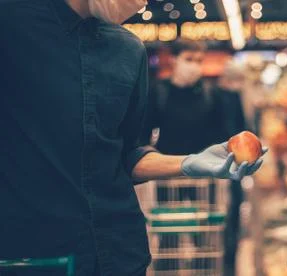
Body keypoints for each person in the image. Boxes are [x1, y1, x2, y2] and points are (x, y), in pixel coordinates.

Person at [0, 1, 264, 275]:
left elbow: (126, 152)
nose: (141, 3)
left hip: (120, 255)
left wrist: (188, 163)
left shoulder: (128, 51)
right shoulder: (10, 27)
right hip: (34, 256)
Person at [213, 62, 248, 276]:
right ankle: (228, 260)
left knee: (228, 210)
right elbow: (241, 129)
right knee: (229, 210)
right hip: (228, 162)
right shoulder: (227, 98)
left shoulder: (219, 96)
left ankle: (227, 258)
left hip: (225, 162)